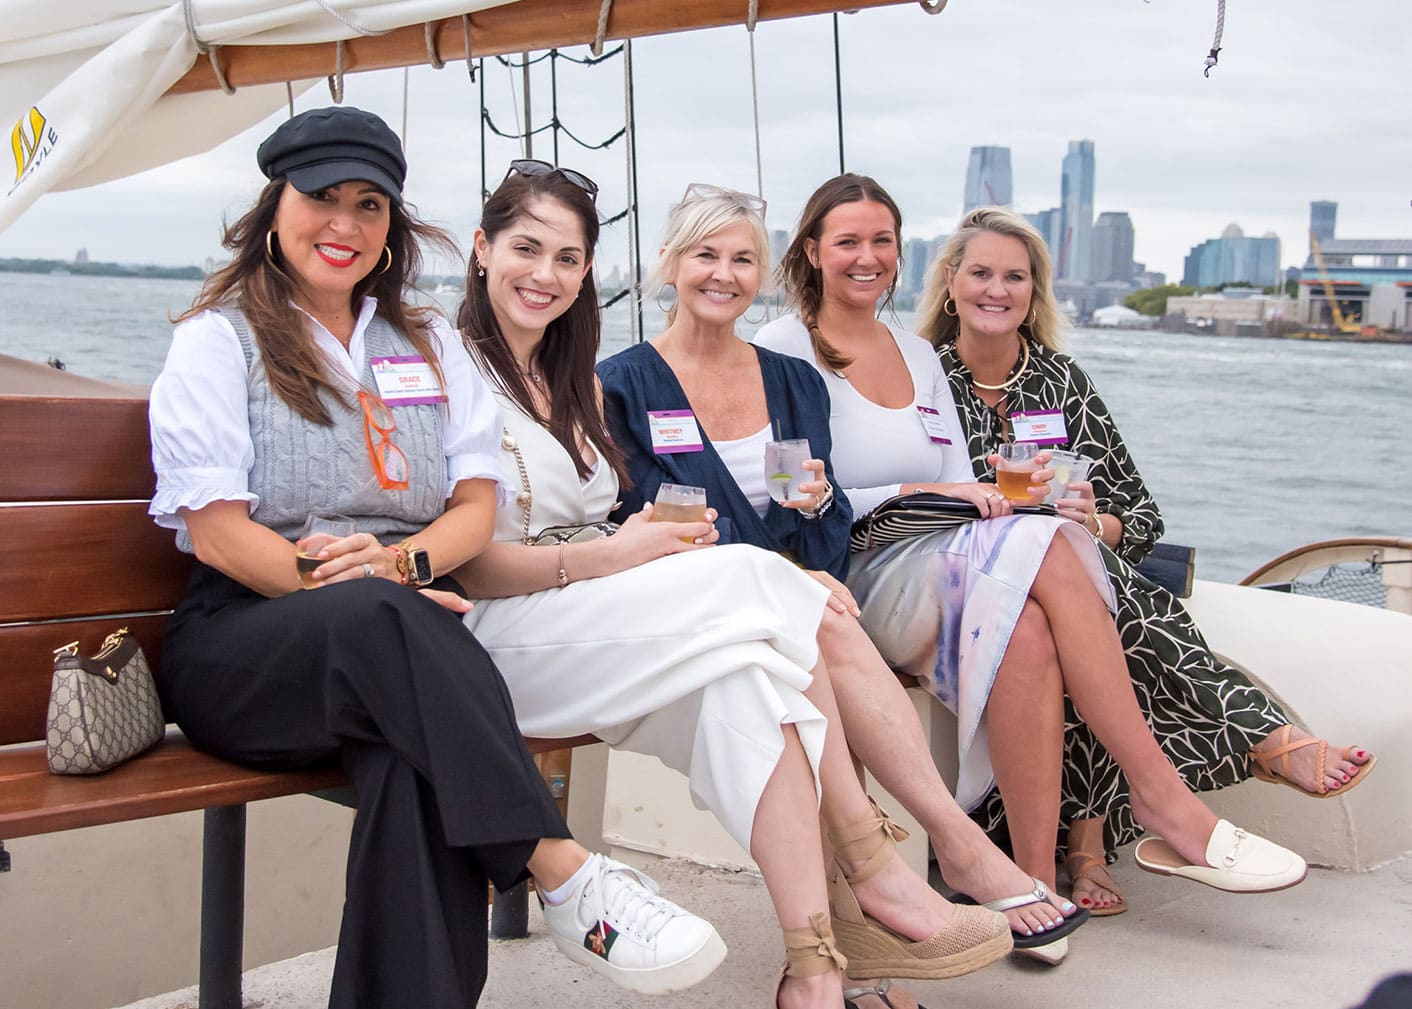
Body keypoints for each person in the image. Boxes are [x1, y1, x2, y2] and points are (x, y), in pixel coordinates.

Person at [607, 178, 1307, 962]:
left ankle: (1033, 877)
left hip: (900, 556)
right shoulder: (754, 355)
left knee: (1036, 619)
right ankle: (1159, 795)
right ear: (808, 252)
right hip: (840, 573)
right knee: (1042, 557)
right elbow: (672, 507)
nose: (866, 257)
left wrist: (869, 501)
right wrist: (915, 492)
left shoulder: (898, 359)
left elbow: (832, 491)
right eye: (846, 241)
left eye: (882, 242)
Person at [146, 107, 720, 1009]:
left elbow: (473, 511)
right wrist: (360, 587)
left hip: (401, 639)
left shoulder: (429, 343)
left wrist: (396, 570)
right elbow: (218, 532)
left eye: (369, 204)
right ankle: (562, 869)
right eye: (321, 197)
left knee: (415, 768)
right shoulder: (218, 340)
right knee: (387, 622)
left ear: (392, 226)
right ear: (276, 205)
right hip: (248, 647)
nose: (345, 224)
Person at [447, 161, 1030, 1009]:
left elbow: (627, 518)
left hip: (595, 615)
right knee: (783, 594)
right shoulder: (475, 372)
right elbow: (477, 552)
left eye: (568, 259)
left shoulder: (571, 379)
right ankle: (895, 860)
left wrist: (807, 512)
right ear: (480, 249)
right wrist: (624, 553)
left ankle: (816, 966)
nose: (547, 274)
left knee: (758, 685)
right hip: (506, 630)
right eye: (527, 250)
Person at [914, 204, 1375, 914]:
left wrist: (1097, 520)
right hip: (965, 576)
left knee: (1083, 599)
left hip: (1065, 573)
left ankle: (1082, 846)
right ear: (950, 282)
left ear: (1034, 293)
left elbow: (1143, 513)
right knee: (1080, 597)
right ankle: (1247, 743)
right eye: (980, 273)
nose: (996, 289)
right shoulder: (922, 383)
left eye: (1016, 276)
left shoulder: (1063, 383)